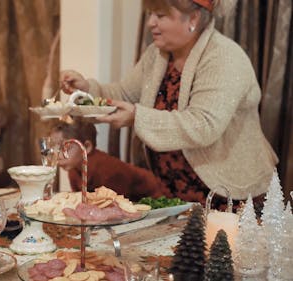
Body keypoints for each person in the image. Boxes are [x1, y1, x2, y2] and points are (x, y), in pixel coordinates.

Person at [60, 0, 278, 208]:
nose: (150, 23)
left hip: (229, 196)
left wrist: (138, 117)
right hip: (176, 193)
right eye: (151, 14)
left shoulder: (224, 57)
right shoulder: (157, 55)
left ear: (192, 18)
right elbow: (124, 94)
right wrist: (87, 89)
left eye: (161, 15)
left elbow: (203, 125)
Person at [51, 119, 171, 202]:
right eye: (55, 148)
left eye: (65, 147)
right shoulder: (74, 170)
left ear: (87, 147)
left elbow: (118, 206)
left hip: (156, 198)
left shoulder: (107, 170)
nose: (58, 154)